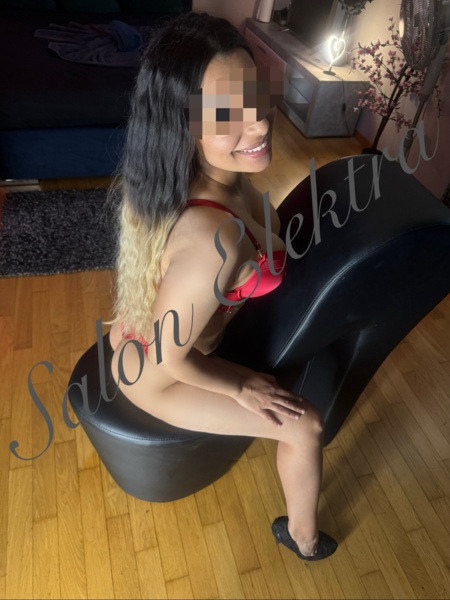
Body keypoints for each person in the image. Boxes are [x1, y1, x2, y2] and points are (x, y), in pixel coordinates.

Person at [108, 11, 337, 561]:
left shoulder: (223, 178)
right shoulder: (213, 240)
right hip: (157, 375)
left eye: (253, 96)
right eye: (226, 114)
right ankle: (303, 539)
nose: (258, 124)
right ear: (183, 128)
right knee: (305, 427)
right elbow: (166, 359)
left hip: (165, 335)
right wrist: (240, 386)